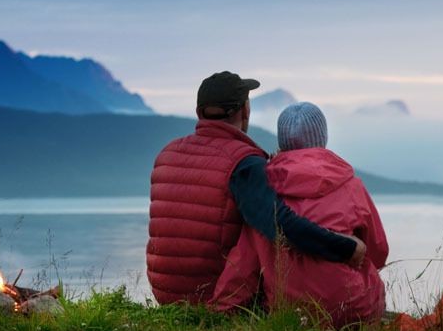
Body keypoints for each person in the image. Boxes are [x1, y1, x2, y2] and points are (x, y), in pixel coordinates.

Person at [147, 72, 366, 305]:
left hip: (166, 294)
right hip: (215, 296)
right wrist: (345, 248)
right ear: (245, 111)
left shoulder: (167, 154)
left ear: (199, 113)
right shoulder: (244, 162)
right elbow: (280, 225)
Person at [211, 102, 389, 326]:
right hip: (353, 309)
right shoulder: (352, 186)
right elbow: (378, 251)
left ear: (282, 142)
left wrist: (220, 309)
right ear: (322, 138)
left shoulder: (264, 195)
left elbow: (244, 263)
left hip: (291, 313)